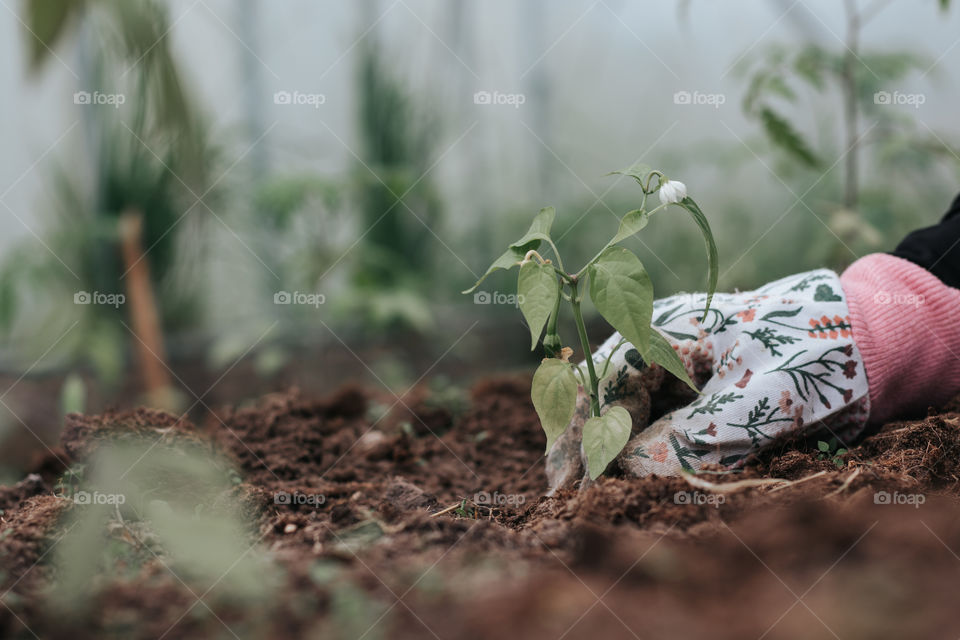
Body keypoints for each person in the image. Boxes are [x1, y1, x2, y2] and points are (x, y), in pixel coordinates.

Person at [547, 193, 960, 491]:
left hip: (871, 330)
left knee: (666, 462)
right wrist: (896, 284)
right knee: (633, 356)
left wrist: (893, 328)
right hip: (874, 286)